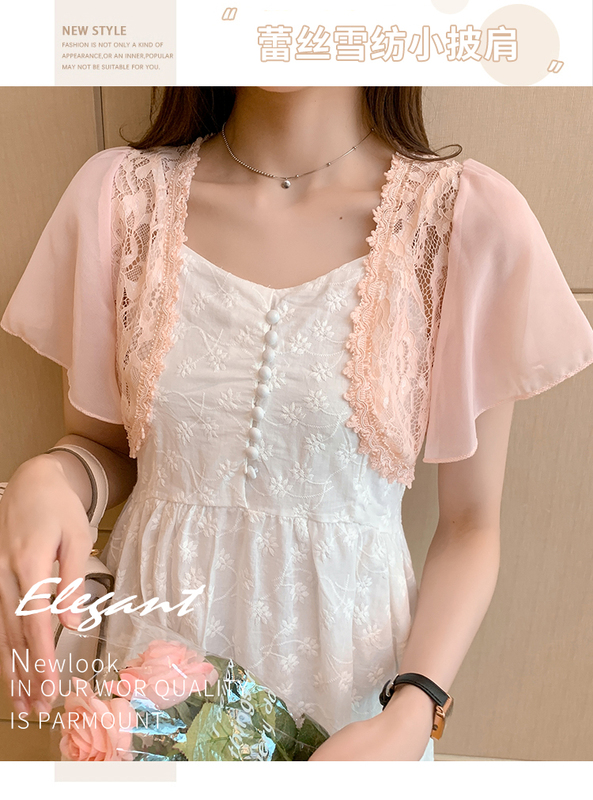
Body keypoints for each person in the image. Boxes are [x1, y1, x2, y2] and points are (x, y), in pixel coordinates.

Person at [1, 86, 593, 762]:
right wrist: (47, 476)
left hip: (357, 711)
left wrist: (413, 712)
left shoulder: (464, 221)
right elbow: (102, 447)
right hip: (151, 682)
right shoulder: (122, 201)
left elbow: (470, 527)